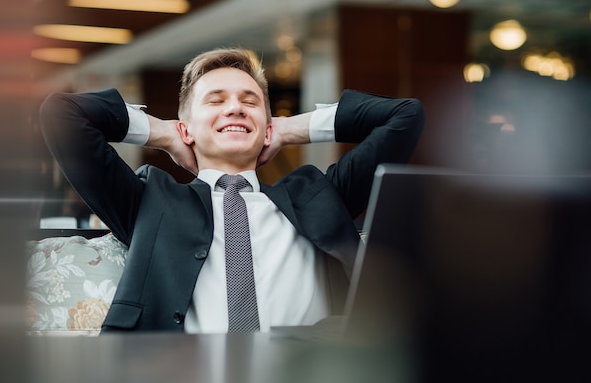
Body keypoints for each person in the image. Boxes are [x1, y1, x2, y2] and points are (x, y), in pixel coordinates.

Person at [40, 47, 425, 333]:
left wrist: (290, 128)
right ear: (186, 128)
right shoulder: (150, 200)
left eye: (250, 101)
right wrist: (163, 133)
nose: (236, 108)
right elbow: (62, 115)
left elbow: (405, 116)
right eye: (216, 100)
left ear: (268, 124)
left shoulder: (317, 194)